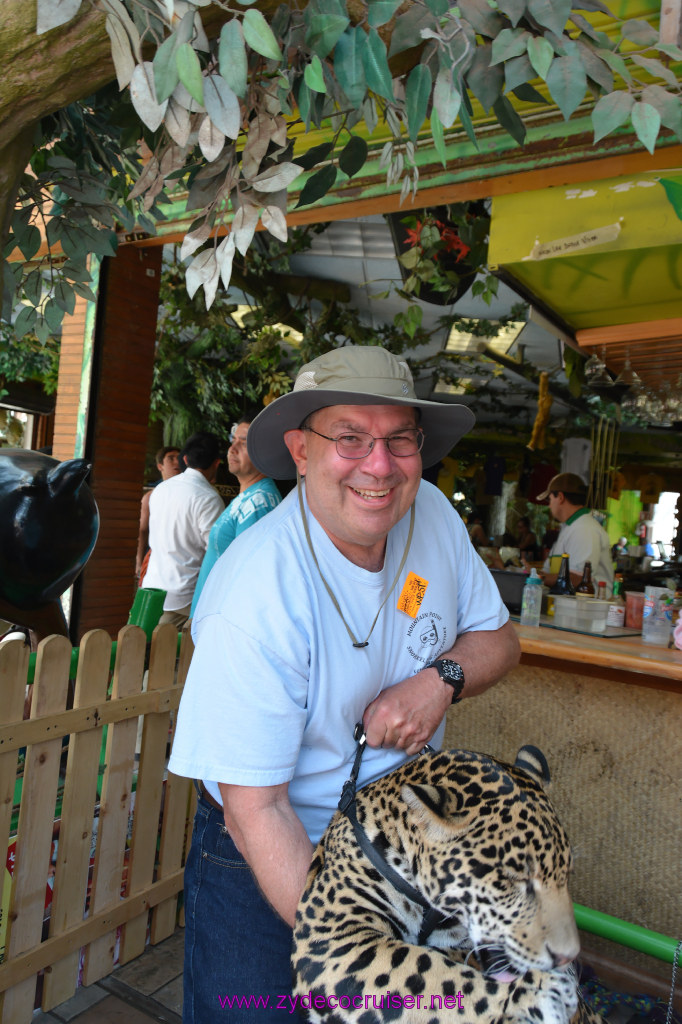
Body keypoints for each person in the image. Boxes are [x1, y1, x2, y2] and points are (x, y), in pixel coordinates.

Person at [168, 346, 520, 1023]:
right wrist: (365, 960)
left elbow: (499, 641)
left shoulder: (435, 517)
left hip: (403, 841)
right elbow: (256, 810)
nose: (379, 466)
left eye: (398, 440)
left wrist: (439, 681)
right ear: (300, 451)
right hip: (267, 846)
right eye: (349, 439)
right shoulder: (255, 597)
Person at [190, 418, 282, 614]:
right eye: (234, 440)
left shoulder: (258, 502)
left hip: (219, 623)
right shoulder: (248, 496)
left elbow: (249, 577)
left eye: (244, 442)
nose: (233, 448)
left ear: (265, 452)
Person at [143, 432, 224, 628]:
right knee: (170, 655)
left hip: (151, 589)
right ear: (217, 463)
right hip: (183, 599)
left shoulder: (161, 490)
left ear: (185, 459)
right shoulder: (209, 498)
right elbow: (216, 551)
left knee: (141, 651)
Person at [538, 472, 614, 590]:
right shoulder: (570, 527)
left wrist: (536, 578)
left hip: (588, 607)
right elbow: (548, 572)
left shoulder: (584, 529)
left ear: (560, 497)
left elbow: (576, 579)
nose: (549, 506)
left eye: (550, 499)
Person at [135, 446, 181, 582]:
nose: (176, 462)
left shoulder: (190, 495)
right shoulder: (151, 496)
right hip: (156, 559)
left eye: (179, 458)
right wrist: (138, 563)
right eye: (171, 458)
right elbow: (142, 531)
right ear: (160, 466)